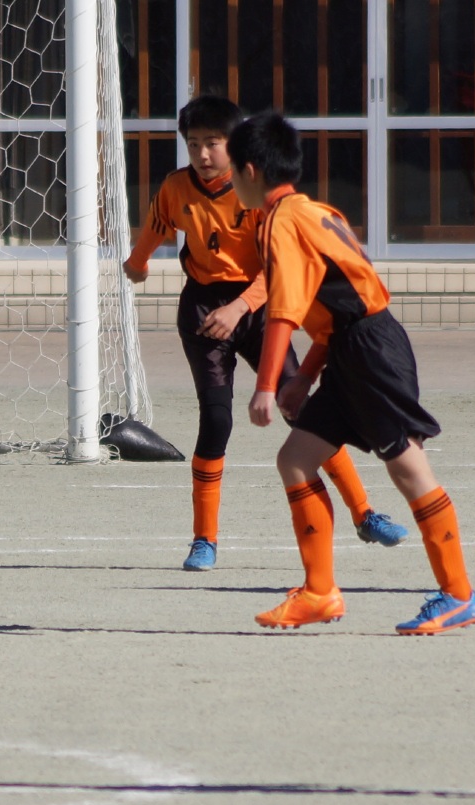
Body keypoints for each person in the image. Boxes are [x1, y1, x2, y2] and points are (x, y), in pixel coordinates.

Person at [122, 95, 407, 571]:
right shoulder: (176, 187)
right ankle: (204, 540)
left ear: (235, 146)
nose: (203, 154)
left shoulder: (253, 193)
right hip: (203, 310)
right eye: (194, 144)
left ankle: (365, 513)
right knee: (216, 421)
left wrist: (239, 308)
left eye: (213, 143)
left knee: (304, 412)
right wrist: (137, 264)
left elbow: (275, 270)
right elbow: (155, 227)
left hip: (254, 305)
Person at [227, 111, 475, 634]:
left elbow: (284, 310)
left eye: (233, 171)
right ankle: (319, 593)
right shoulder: (315, 211)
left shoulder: (280, 222)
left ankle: (459, 595)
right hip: (354, 345)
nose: (231, 181)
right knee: (296, 459)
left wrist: (267, 385)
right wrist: (304, 378)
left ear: (250, 171)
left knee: (408, 469)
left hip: (371, 351)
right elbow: (337, 306)